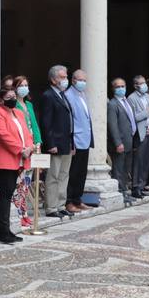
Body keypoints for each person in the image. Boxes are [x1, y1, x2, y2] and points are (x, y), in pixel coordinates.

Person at [0, 84, 32, 244]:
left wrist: (29, 147)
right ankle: (3, 231)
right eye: (9, 98)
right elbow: (3, 136)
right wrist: (21, 149)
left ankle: (6, 230)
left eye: (14, 97)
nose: (13, 100)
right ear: (1, 100)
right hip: (4, 161)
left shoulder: (18, 113)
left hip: (18, 158)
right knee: (6, 195)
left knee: (9, 194)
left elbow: (26, 132)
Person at [37, 65, 80, 216]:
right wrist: (51, 144)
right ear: (53, 79)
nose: (65, 80)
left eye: (66, 77)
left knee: (64, 175)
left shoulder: (63, 95)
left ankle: (61, 205)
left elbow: (69, 121)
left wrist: (72, 144)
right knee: (53, 176)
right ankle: (51, 207)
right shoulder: (48, 96)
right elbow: (46, 122)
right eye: (62, 77)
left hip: (67, 143)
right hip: (56, 144)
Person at [66, 69, 95, 206]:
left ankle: (78, 199)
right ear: (73, 81)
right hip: (76, 140)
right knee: (73, 172)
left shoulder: (82, 94)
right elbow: (70, 121)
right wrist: (71, 142)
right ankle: (69, 200)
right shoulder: (68, 95)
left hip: (85, 139)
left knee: (82, 173)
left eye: (84, 80)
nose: (83, 83)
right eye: (80, 80)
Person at [108, 78, 137, 204]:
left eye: (123, 86)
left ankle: (125, 191)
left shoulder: (127, 102)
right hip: (120, 143)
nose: (121, 88)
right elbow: (112, 125)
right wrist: (118, 142)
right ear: (113, 89)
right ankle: (119, 192)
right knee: (118, 170)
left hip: (129, 142)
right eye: (117, 86)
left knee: (126, 169)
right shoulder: (113, 104)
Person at [128, 75, 149, 200]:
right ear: (135, 86)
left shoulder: (148, 97)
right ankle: (135, 187)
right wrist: (146, 113)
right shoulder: (131, 98)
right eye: (141, 83)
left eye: (144, 83)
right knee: (138, 161)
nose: (144, 86)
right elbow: (133, 117)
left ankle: (142, 186)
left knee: (146, 161)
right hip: (139, 134)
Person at [15, 75, 42, 153]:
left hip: (33, 140)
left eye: (26, 85)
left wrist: (38, 142)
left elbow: (34, 124)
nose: (24, 87)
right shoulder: (14, 105)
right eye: (21, 85)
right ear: (15, 88)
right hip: (23, 141)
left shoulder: (29, 104)